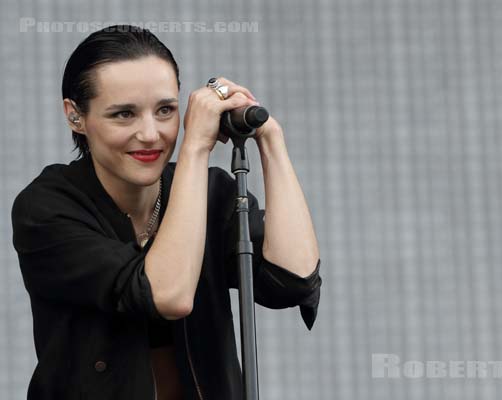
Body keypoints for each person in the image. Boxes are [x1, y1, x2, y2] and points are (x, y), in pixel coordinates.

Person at [11, 25, 322, 400]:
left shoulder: (209, 192)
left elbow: (294, 278)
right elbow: (167, 295)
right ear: (75, 116)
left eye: (165, 110)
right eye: (124, 114)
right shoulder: (47, 208)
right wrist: (194, 148)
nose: (151, 134)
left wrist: (270, 138)